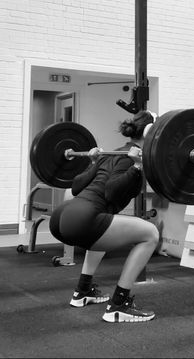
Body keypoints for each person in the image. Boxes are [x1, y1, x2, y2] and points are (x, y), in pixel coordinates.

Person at [49, 110, 159, 323]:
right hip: (82, 219)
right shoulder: (131, 158)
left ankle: (83, 291)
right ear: (150, 132)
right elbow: (111, 191)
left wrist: (93, 163)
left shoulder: (112, 153)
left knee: (105, 229)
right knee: (151, 234)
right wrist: (137, 167)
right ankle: (119, 304)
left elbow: (77, 186)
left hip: (63, 217)